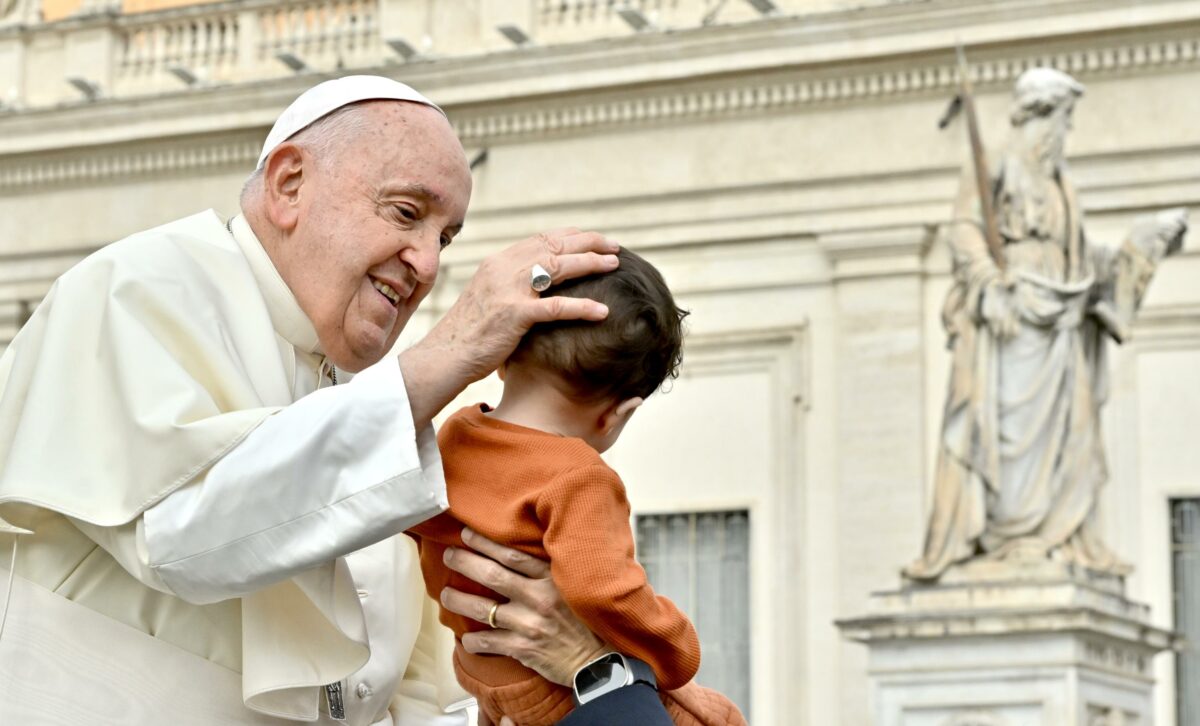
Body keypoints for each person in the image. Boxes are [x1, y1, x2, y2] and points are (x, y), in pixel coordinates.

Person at [0, 75, 672, 725]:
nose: (429, 265)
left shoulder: (379, 410)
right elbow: (179, 535)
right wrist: (446, 354)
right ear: (290, 183)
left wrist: (589, 674)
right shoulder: (137, 289)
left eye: (444, 238)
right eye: (407, 213)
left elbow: (421, 697)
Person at [409, 250, 747, 726]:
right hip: (553, 686)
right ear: (619, 413)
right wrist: (676, 648)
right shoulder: (577, 475)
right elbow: (604, 592)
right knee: (716, 717)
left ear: (504, 360)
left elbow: (414, 521)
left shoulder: (456, 434)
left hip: (478, 671)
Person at [904, 68, 1188, 580]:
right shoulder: (992, 166)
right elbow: (965, 228)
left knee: (1072, 433)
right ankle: (1009, 536)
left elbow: (1081, 261)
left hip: (1061, 326)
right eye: (1062, 119)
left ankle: (1053, 535)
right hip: (1015, 320)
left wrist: (1142, 243)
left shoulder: (1063, 187)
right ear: (1037, 117)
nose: (1065, 133)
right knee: (1009, 435)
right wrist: (991, 281)